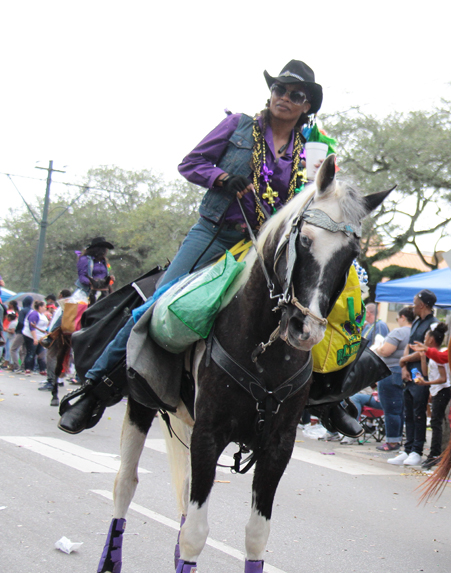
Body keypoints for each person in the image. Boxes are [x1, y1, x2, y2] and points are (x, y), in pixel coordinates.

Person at [58, 60, 360, 436]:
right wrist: (221, 177)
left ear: (306, 105)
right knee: (158, 301)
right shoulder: (238, 126)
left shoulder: (313, 148)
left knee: (332, 297)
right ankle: (95, 390)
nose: (284, 97)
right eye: (279, 89)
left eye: (295, 94)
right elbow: (191, 163)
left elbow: (320, 201)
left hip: (268, 242)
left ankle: (330, 398)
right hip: (215, 233)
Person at [389, 290, 438, 466]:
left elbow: (425, 350)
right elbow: (409, 346)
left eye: (415, 302)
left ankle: (417, 450)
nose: (412, 306)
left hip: (421, 373)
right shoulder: (416, 322)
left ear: (422, 304)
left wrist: (404, 360)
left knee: (418, 411)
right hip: (410, 371)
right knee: (408, 411)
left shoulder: (433, 325)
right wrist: (403, 366)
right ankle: (407, 448)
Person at [401, 322, 451, 470]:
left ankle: (434, 454)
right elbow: (425, 372)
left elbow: (443, 379)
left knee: (436, 422)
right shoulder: (431, 355)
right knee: (435, 422)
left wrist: (427, 383)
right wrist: (423, 358)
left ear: (431, 340)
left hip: (442, 391)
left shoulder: (439, 355)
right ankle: (432, 453)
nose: (424, 340)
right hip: (435, 391)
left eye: (425, 338)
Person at [373, 306, 414, 452]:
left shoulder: (399, 332)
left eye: (397, 318)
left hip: (390, 372)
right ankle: (397, 439)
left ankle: (392, 441)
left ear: (403, 317)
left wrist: (378, 348)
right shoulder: (415, 332)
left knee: (390, 409)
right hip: (405, 373)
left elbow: (386, 350)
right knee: (399, 409)